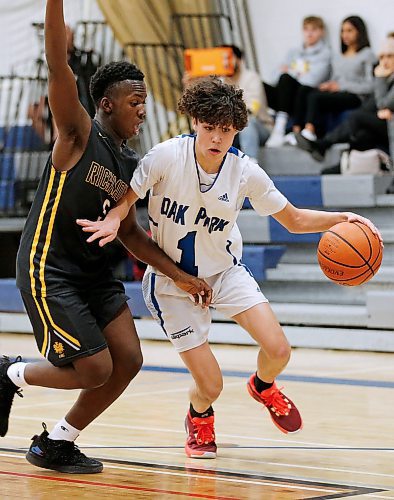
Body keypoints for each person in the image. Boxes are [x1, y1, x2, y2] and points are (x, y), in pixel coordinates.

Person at [77, 77, 382, 459]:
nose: (216, 138)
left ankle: (263, 385)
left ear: (237, 129)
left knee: (279, 349)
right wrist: (114, 219)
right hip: (174, 284)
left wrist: (344, 218)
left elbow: (295, 220)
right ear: (194, 123)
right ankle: (199, 414)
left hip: (224, 272)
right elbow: (127, 199)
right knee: (212, 384)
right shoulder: (166, 156)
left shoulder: (246, 172)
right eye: (208, 128)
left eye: (225, 130)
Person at [0, 0, 211, 474]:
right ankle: (7, 372)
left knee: (129, 360)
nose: (143, 110)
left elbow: (132, 235)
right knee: (93, 367)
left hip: (95, 276)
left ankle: (56, 442)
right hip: (49, 268)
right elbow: (59, 63)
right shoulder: (76, 135)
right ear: (107, 104)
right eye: (135, 102)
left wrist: (183, 277)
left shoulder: (130, 166)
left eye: (145, 101)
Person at [296, 37, 394, 169]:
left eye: (389, 56)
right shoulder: (387, 77)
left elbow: (383, 103)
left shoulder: (383, 77)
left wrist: (380, 79)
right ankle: (345, 164)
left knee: (356, 117)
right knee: (362, 134)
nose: (384, 62)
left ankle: (324, 144)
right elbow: (376, 105)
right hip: (384, 123)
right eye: (381, 57)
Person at [294, 16, 375, 143]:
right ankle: (296, 131)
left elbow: (370, 86)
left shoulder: (367, 54)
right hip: (338, 93)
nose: (345, 35)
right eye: (343, 31)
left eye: (349, 31)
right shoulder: (338, 56)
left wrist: (341, 86)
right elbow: (335, 79)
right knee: (306, 91)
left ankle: (309, 132)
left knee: (315, 98)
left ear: (359, 31)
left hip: (355, 96)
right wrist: (328, 85)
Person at [264, 16, 331, 147]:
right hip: (286, 94)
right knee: (262, 85)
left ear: (321, 31)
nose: (309, 33)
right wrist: (295, 72)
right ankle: (267, 123)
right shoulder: (293, 52)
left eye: (314, 29)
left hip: (302, 95)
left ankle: (279, 128)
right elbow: (275, 76)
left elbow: (312, 80)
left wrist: (291, 71)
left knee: (287, 79)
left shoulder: (325, 53)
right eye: (306, 29)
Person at [222, 45, 273, 161]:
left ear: (239, 60)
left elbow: (252, 108)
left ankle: (250, 164)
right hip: (230, 130)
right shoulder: (219, 82)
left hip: (260, 126)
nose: (225, 62)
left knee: (246, 122)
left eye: (229, 58)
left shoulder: (251, 78)